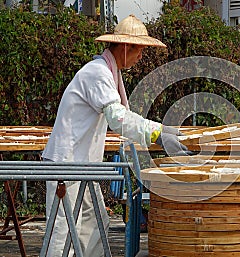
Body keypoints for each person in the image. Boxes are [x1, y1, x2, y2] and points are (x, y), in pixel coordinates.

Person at [42, 14, 188, 257]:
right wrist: (158, 133)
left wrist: (160, 132)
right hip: (66, 167)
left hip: (81, 167)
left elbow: (120, 117)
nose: (141, 57)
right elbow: (118, 118)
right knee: (63, 234)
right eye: (139, 50)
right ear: (125, 47)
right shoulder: (97, 73)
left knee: (95, 224)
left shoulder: (108, 73)